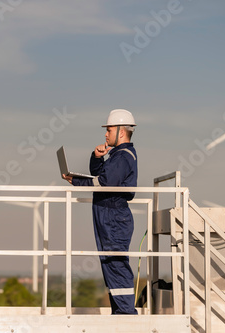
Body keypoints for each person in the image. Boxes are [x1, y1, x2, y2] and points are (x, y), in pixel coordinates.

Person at [62, 109, 138, 314]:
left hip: (113, 216)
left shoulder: (123, 157)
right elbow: (100, 175)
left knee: (115, 264)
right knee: (110, 265)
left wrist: (76, 181)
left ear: (121, 132)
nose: (105, 134)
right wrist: (96, 158)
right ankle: (120, 312)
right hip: (108, 215)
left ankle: (126, 315)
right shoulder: (117, 156)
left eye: (109, 129)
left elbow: (103, 183)